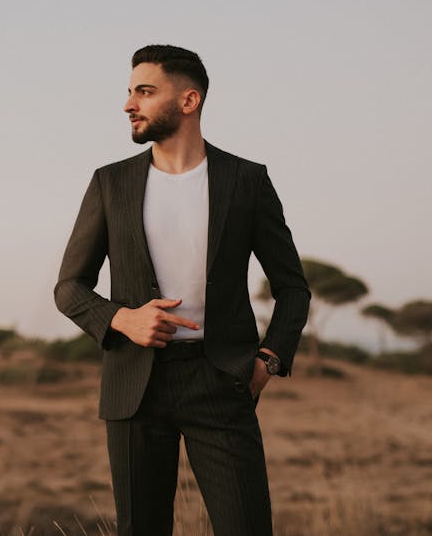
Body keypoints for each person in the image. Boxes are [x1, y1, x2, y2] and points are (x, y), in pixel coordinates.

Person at [54, 44, 311, 536]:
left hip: (221, 380)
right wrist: (121, 319)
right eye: (130, 92)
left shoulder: (246, 181)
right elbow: (69, 287)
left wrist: (269, 360)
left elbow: (293, 288)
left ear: (188, 101)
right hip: (134, 386)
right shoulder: (110, 183)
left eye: (145, 92)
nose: (129, 104)